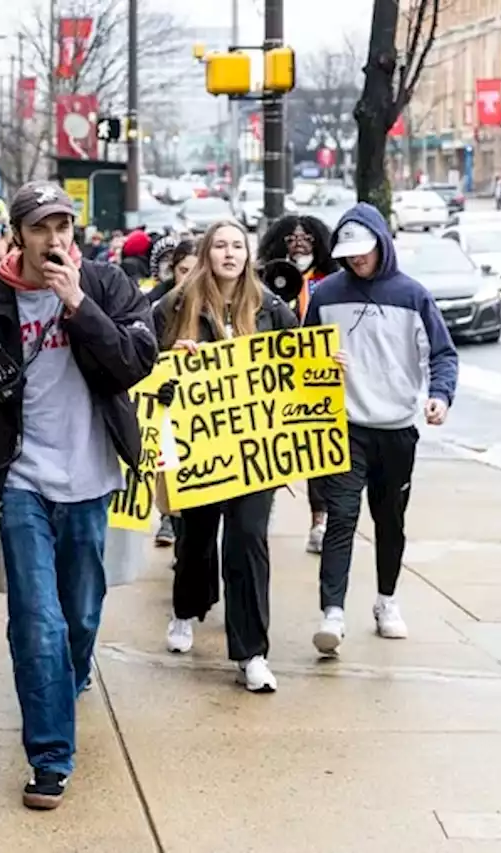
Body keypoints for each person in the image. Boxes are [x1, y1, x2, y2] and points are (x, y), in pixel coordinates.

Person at [0, 181, 157, 810]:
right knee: (37, 617)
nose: (54, 240)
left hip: (90, 476)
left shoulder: (108, 286)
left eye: (63, 227)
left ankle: (70, 675)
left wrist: (79, 305)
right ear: (19, 236)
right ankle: (50, 758)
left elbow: (134, 363)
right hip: (21, 477)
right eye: (40, 228)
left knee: (80, 616)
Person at [304, 205, 459, 655]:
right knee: (342, 517)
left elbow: (443, 354)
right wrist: (317, 362)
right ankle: (332, 611)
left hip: (396, 427)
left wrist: (440, 395)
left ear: (381, 245)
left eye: (363, 253)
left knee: (389, 520)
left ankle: (386, 601)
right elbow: (298, 353)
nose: (357, 261)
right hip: (345, 425)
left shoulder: (413, 295)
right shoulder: (326, 294)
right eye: (349, 254)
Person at [153, 220, 299, 692]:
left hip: (254, 451)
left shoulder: (272, 307)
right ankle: (184, 609)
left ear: (249, 254)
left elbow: (296, 363)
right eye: (220, 245)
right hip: (199, 446)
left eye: (238, 245)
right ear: (206, 253)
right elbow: (145, 361)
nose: (230, 253)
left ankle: (252, 652)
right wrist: (170, 355)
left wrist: (327, 368)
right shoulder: (175, 306)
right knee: (195, 538)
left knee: (248, 540)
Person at [257, 214, 340, 553]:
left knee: (317, 451)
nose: (299, 241)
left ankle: (319, 520)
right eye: (291, 236)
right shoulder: (263, 280)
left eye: (307, 236)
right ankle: (263, 513)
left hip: (315, 379)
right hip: (273, 380)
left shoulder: (332, 280)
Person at [144, 236, 197, 552]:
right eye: (183, 270)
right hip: (168, 399)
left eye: (196, 270)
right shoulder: (158, 306)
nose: (189, 278)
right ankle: (169, 518)